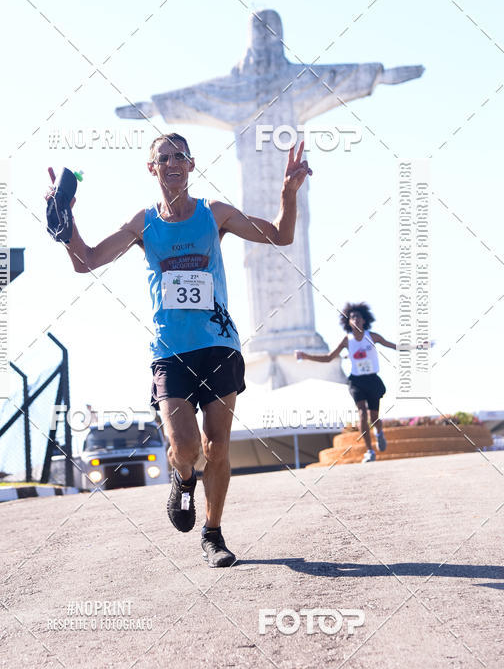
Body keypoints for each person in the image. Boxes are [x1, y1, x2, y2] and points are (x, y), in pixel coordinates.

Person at [47, 134, 312, 566]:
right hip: (170, 351)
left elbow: (282, 235)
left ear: (192, 165)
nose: (172, 163)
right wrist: (65, 220)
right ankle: (182, 476)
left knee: (217, 446)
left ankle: (213, 534)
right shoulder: (142, 223)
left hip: (218, 344)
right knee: (186, 446)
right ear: (151, 168)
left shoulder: (216, 214)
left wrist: (288, 192)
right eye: (163, 158)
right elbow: (86, 260)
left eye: (180, 157)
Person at [294, 302, 395, 463]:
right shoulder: (347, 340)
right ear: (348, 322)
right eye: (352, 317)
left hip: (372, 380)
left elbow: (393, 346)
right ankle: (369, 451)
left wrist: (417, 346)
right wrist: (306, 356)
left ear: (364, 320)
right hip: (356, 381)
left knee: (374, 416)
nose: (355, 319)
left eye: (358, 317)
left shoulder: (372, 336)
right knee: (362, 413)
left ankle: (379, 432)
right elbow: (328, 358)